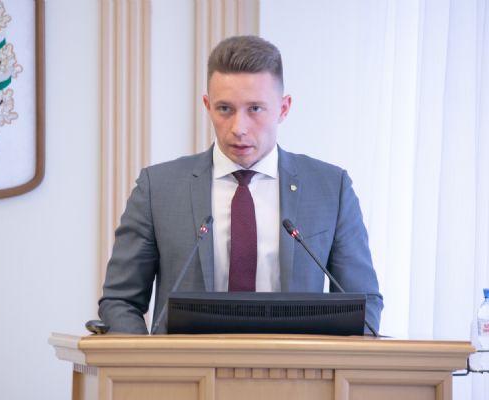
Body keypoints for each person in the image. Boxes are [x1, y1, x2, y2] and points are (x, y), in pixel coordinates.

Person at [98, 35, 383, 334]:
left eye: (255, 109)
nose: (239, 128)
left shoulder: (331, 189)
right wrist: (147, 358)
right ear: (207, 106)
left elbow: (363, 305)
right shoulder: (158, 188)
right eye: (225, 109)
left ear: (283, 108)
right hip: (186, 364)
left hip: (296, 364)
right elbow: (120, 301)